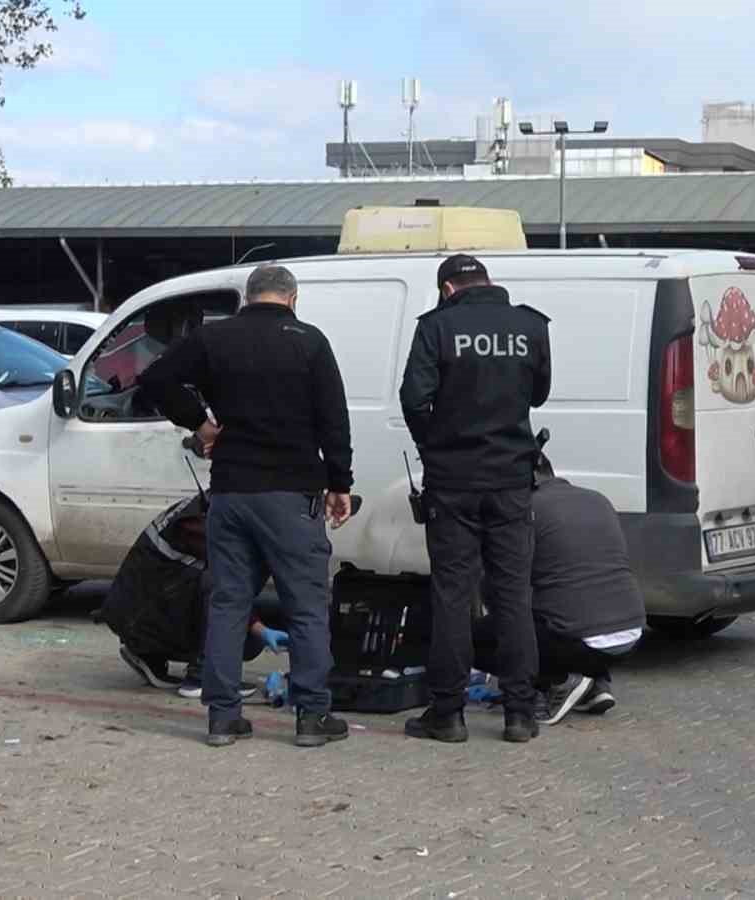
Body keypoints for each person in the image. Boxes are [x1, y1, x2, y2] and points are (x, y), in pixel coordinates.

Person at [139, 265, 355, 749]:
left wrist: (201, 424)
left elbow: (155, 380)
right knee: (306, 607)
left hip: (232, 491)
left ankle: (222, 716)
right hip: (291, 494)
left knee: (229, 602)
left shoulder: (216, 338)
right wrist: (339, 482)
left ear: (246, 297)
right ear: (292, 299)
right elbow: (333, 419)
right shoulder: (309, 341)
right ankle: (312, 717)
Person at [399, 254, 551, 744]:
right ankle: (520, 713)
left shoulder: (437, 328)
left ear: (447, 289)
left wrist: (437, 444)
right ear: (487, 282)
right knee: (513, 594)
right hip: (511, 480)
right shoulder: (529, 325)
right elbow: (540, 394)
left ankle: (447, 713)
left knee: (452, 595)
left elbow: (412, 399)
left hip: (453, 482)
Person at [473, 455, 645, 726]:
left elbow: (501, 591)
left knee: (470, 639)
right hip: (631, 634)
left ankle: (560, 681)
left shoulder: (524, 511)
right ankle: (596, 683)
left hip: (581, 638)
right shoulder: (597, 499)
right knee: (568, 607)